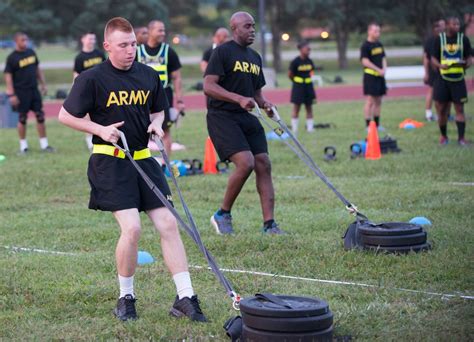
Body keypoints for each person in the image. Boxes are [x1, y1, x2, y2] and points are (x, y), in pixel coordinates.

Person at [58, 17, 207, 322]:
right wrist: (99, 129)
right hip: (110, 162)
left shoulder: (148, 75)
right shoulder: (91, 79)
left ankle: (185, 297)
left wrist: (155, 125)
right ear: (107, 46)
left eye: (133, 45)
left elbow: (158, 108)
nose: (130, 51)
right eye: (123, 45)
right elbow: (65, 115)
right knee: (133, 228)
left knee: (168, 224)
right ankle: (126, 297)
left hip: (143, 159)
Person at [204, 11, 284, 235]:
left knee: (263, 163)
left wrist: (266, 104)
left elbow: (257, 94)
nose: (252, 30)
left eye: (253, 26)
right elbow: (209, 86)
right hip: (223, 116)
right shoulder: (222, 52)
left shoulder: (255, 57)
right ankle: (222, 214)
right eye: (247, 26)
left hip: (248, 117)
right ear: (234, 28)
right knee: (246, 162)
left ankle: (269, 225)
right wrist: (238, 98)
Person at [136, 20, 184, 155]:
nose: (163, 33)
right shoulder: (138, 51)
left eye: (163, 30)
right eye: (159, 30)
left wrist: (179, 100)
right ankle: (143, 161)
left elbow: (177, 77)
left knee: (165, 130)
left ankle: (166, 163)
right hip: (142, 97)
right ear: (150, 31)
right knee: (140, 129)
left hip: (164, 96)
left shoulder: (169, 51)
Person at [3, 32, 54, 154]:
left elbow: (37, 69)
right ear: (16, 41)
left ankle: (44, 145)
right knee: (22, 118)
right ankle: (23, 147)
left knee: (40, 116)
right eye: (22, 40)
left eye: (26, 40)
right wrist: (11, 94)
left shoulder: (31, 53)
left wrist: (43, 84)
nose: (25, 42)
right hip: (20, 92)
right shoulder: (12, 58)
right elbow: (8, 77)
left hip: (33, 90)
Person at [431, 16, 472, 145]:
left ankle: (461, 139)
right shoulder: (440, 39)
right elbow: (433, 58)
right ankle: (444, 137)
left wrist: (466, 64)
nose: (457, 27)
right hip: (442, 80)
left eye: (458, 25)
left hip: (458, 80)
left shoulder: (463, 39)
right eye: (454, 24)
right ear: (447, 25)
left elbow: (470, 58)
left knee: (460, 110)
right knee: (442, 110)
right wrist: (439, 65)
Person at [73, 31, 106, 151]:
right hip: (87, 89)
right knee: (87, 115)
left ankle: (103, 136)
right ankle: (89, 140)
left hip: (101, 88)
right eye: (89, 39)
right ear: (83, 40)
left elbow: (106, 69)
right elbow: (76, 75)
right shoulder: (80, 57)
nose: (92, 41)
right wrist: (76, 90)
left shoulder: (99, 53)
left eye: (93, 39)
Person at [360, 22, 387, 131]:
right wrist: (377, 69)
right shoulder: (365, 46)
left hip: (380, 77)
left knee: (379, 100)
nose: (378, 33)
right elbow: (364, 61)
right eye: (375, 31)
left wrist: (384, 69)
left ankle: (377, 124)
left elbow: (383, 58)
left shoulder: (379, 44)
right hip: (370, 77)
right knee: (370, 100)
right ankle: (368, 125)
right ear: (369, 31)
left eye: (379, 31)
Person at [288, 40, 316, 134]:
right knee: (296, 107)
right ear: (301, 49)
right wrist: (297, 81)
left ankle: (310, 128)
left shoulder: (310, 61)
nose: (309, 51)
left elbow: (312, 71)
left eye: (309, 49)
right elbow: (290, 74)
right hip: (298, 87)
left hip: (308, 87)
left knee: (309, 107)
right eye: (307, 49)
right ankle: (294, 129)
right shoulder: (295, 61)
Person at [423, 19, 446, 121]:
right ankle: (428, 114)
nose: (442, 27)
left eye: (443, 25)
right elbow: (426, 58)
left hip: (445, 69)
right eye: (439, 26)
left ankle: (445, 114)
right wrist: (426, 73)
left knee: (445, 92)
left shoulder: (445, 39)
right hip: (435, 71)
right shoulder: (430, 41)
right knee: (432, 91)